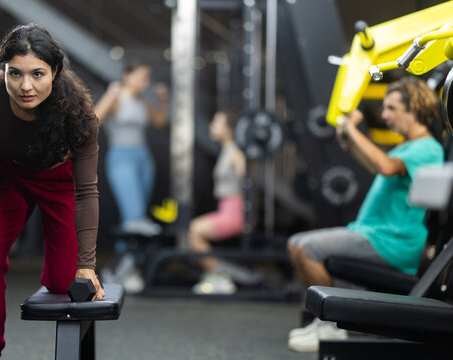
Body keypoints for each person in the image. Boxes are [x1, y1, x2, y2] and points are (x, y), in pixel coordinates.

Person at [0, 24, 104, 360]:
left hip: (58, 181)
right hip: (8, 176)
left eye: (38, 74)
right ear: (3, 69)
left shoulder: (80, 116)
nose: (26, 86)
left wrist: (86, 266)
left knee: (61, 282)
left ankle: (60, 268)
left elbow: (86, 192)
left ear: (55, 72)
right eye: (15, 73)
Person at [286, 77, 444, 352]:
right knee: (297, 245)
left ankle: (330, 327)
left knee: (305, 247)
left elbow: (384, 166)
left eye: (391, 108)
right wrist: (350, 138)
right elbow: (377, 165)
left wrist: (353, 129)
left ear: (415, 110)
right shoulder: (409, 147)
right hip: (372, 234)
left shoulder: (427, 148)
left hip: (392, 241)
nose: (384, 115)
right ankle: (322, 323)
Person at [188, 110, 260, 295]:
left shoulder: (236, 153)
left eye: (216, 122)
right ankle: (219, 274)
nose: (212, 126)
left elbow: (249, 183)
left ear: (229, 129)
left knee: (195, 230)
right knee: (194, 229)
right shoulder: (228, 151)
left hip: (236, 213)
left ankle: (220, 277)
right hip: (227, 209)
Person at [95, 61, 169, 236]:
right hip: (122, 157)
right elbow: (93, 120)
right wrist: (109, 95)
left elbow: (159, 122)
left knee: (136, 214)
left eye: (147, 78)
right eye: (142, 77)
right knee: (134, 215)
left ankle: (129, 259)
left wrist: (163, 100)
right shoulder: (116, 99)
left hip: (143, 157)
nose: (146, 81)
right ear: (127, 76)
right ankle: (128, 260)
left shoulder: (142, 102)